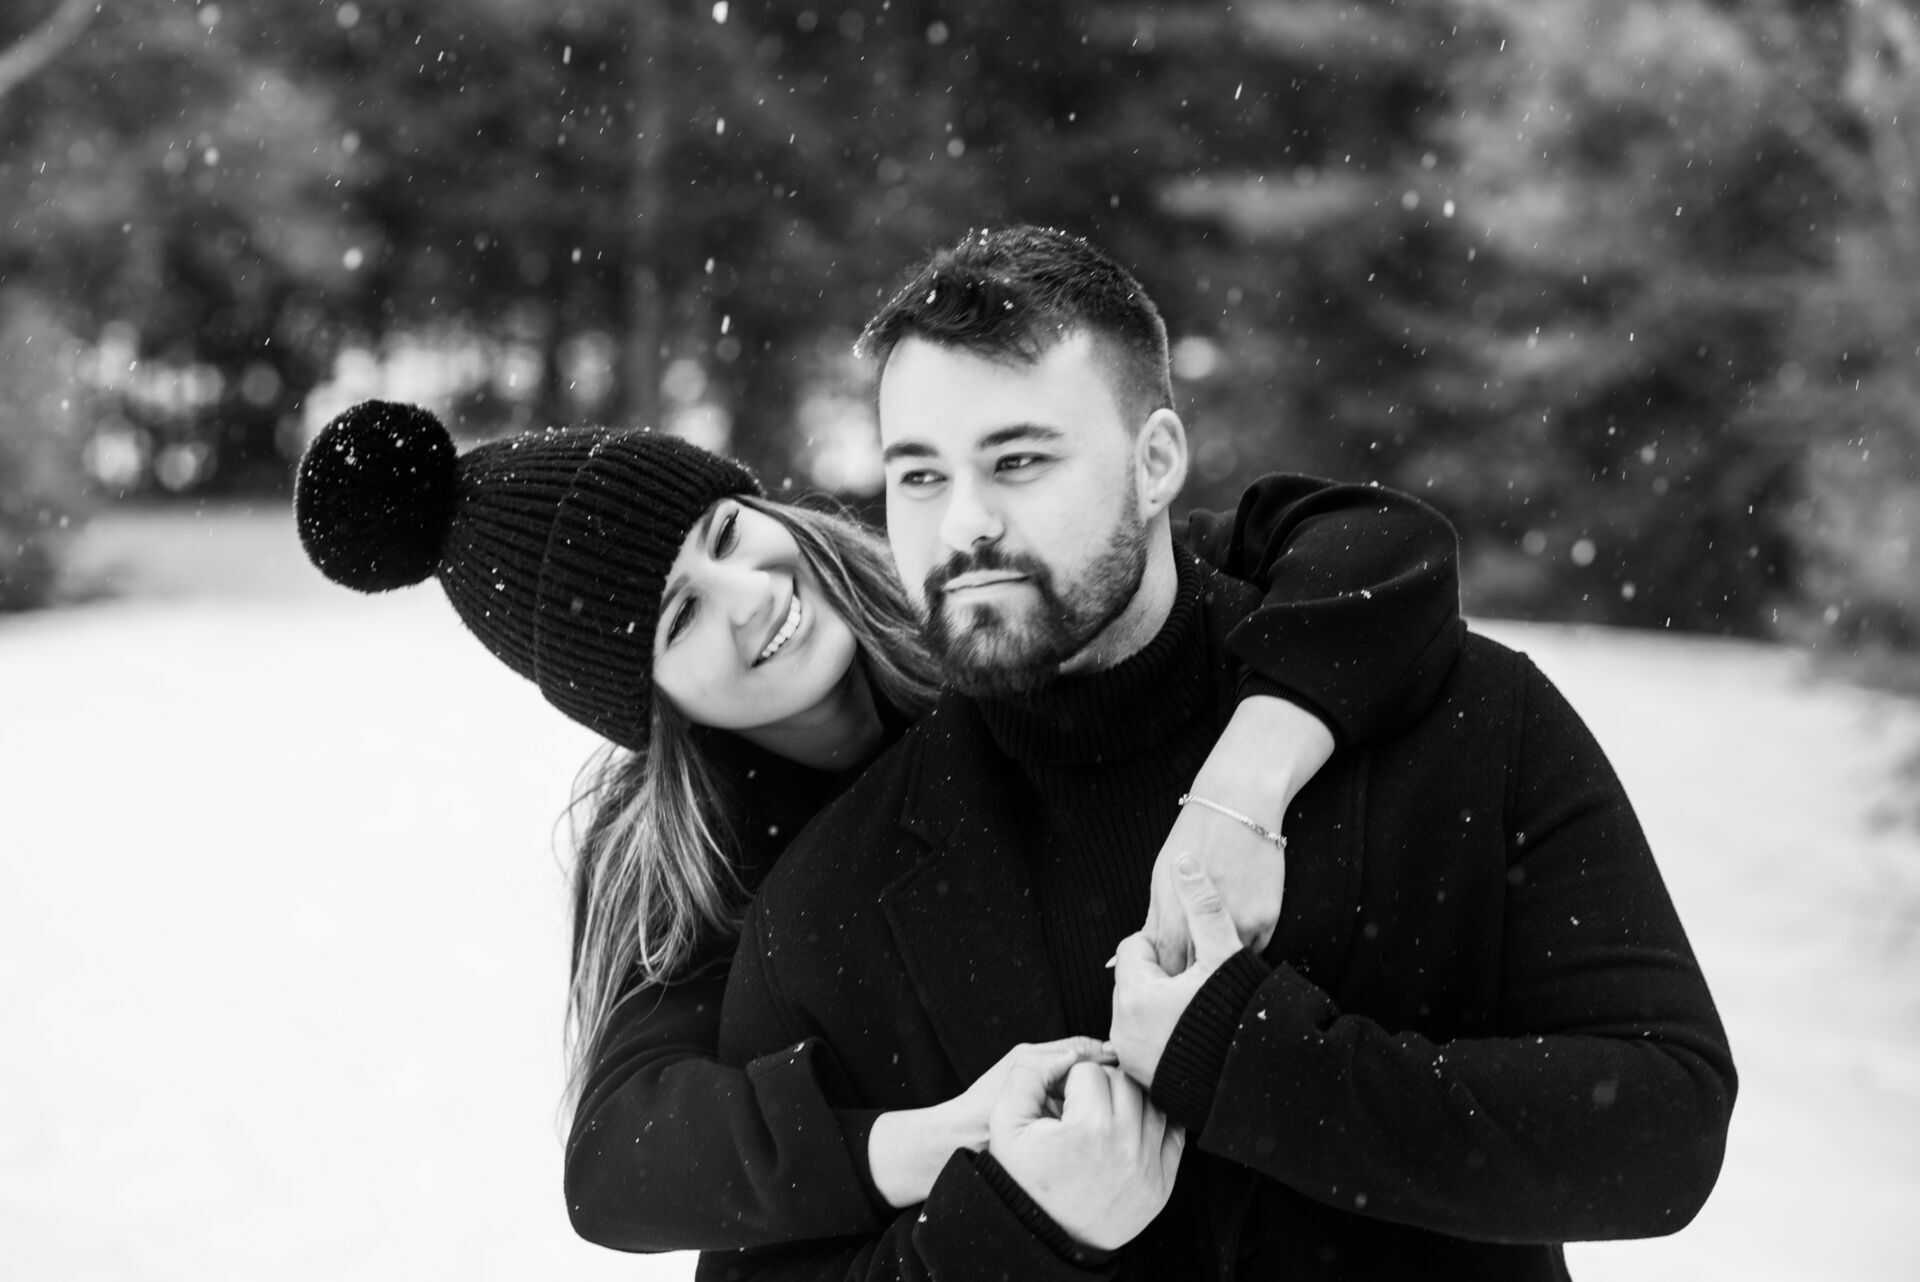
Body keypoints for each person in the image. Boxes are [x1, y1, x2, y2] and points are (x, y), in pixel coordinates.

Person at [703, 226, 1737, 1281]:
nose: (965, 524)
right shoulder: (834, 893)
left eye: (1018, 460)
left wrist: (1257, 1064)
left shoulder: (1465, 717)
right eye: (919, 476)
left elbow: (1665, 1125)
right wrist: (1012, 1233)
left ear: (1155, 463)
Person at [293, 396, 1465, 1253]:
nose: (755, 601)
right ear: (647, 707)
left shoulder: (982, 594)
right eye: (679, 620)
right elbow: (621, 1163)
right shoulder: (696, 867)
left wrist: (1249, 778)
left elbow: (1374, 544)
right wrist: (933, 1135)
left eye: (722, 537)